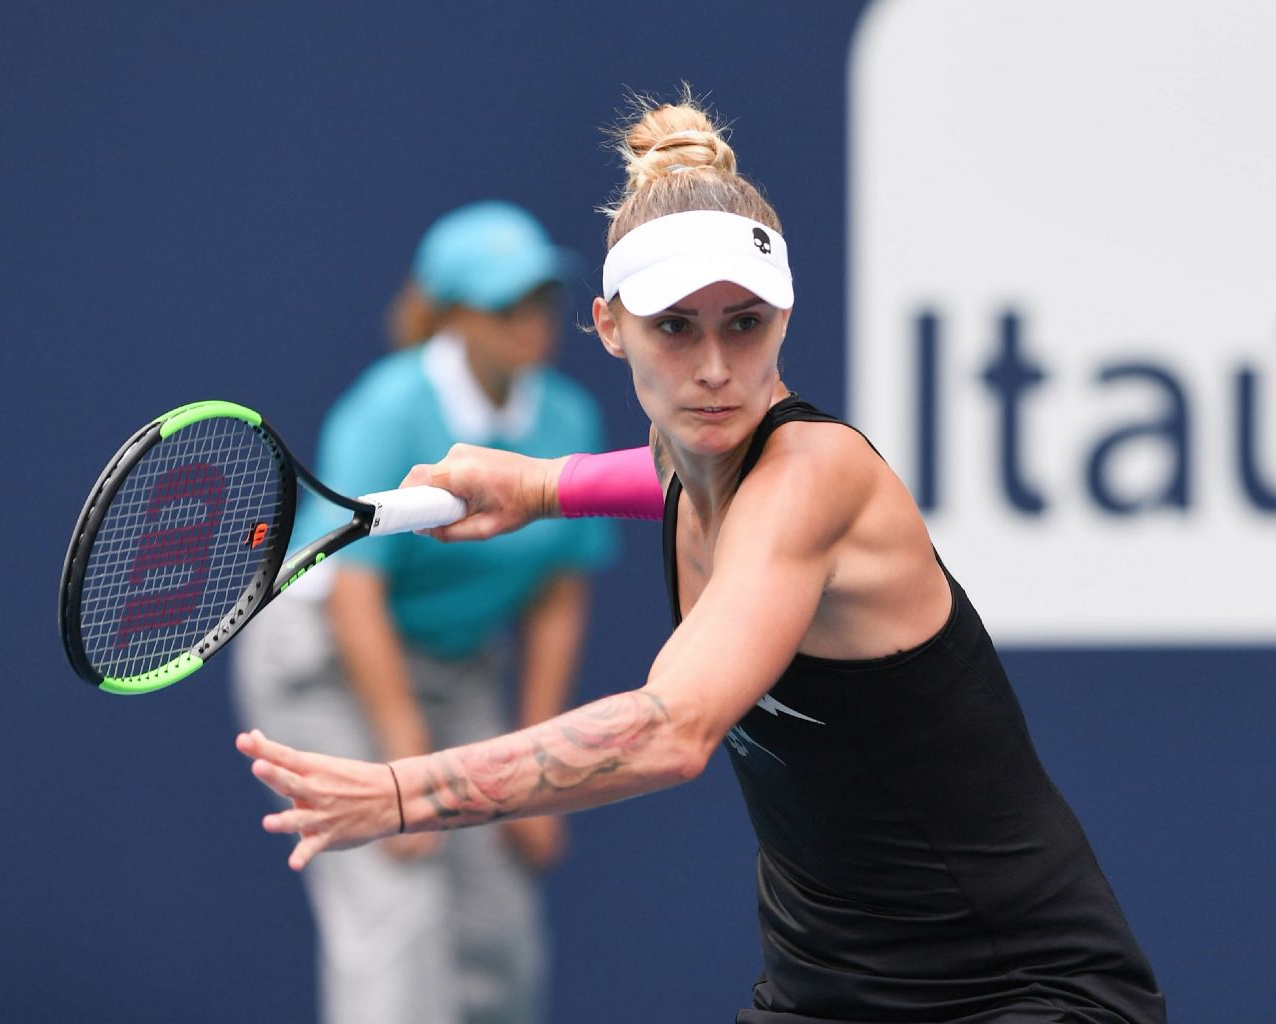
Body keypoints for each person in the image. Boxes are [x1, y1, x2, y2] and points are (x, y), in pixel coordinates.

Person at [236, 97, 1167, 1024]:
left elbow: (669, 732)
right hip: (825, 997)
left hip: (1019, 997)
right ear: (609, 328)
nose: (715, 367)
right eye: (675, 327)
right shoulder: (697, 465)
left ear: (786, 317)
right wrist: (538, 483)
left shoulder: (815, 478)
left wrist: (401, 789)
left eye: (745, 323)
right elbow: (661, 473)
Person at [231, 200, 616, 1024]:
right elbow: (358, 597)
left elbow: (557, 594)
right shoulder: (387, 410)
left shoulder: (567, 420)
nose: (528, 323)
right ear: (451, 316)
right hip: (329, 667)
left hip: (451, 667)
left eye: (537, 301)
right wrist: (402, 772)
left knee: (497, 928)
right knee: (396, 910)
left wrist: (537, 765)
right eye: (502, 305)